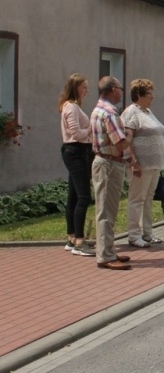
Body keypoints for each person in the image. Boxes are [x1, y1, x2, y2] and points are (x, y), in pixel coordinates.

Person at [91, 76, 133, 270]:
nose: (122, 92)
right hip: (108, 164)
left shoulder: (98, 109)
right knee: (107, 211)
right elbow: (120, 142)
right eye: (120, 89)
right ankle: (106, 256)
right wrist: (130, 135)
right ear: (113, 89)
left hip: (104, 162)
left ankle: (108, 250)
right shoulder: (110, 113)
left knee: (106, 210)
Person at [121, 79, 164, 248]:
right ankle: (133, 235)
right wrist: (133, 162)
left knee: (148, 199)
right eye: (149, 94)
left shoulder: (147, 112)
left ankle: (148, 233)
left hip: (154, 164)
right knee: (137, 199)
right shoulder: (131, 112)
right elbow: (127, 140)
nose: (152, 97)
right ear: (139, 95)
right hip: (140, 164)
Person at [58, 73, 95, 257]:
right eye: (84, 87)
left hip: (77, 151)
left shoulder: (72, 106)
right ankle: (79, 241)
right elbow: (76, 134)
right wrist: (92, 128)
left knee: (73, 196)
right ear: (75, 87)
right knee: (83, 197)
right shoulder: (71, 107)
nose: (86, 91)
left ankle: (71, 237)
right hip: (76, 152)